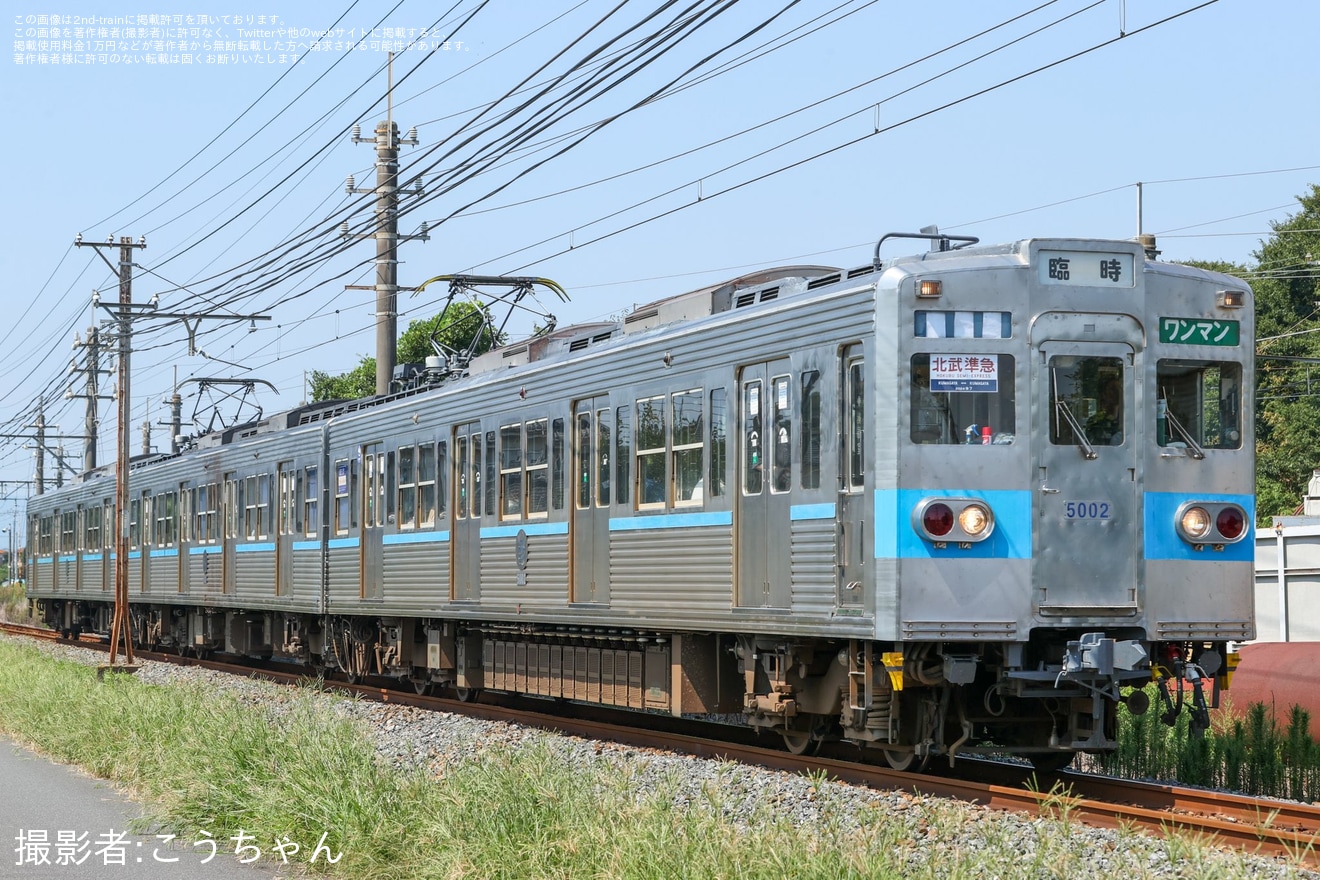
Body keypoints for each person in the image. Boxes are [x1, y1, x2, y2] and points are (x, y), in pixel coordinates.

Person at [1086, 377, 1123, 445]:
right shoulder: (1095, 423)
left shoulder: (1130, 421)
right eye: (1108, 392)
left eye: (1115, 391)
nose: (1112, 395)